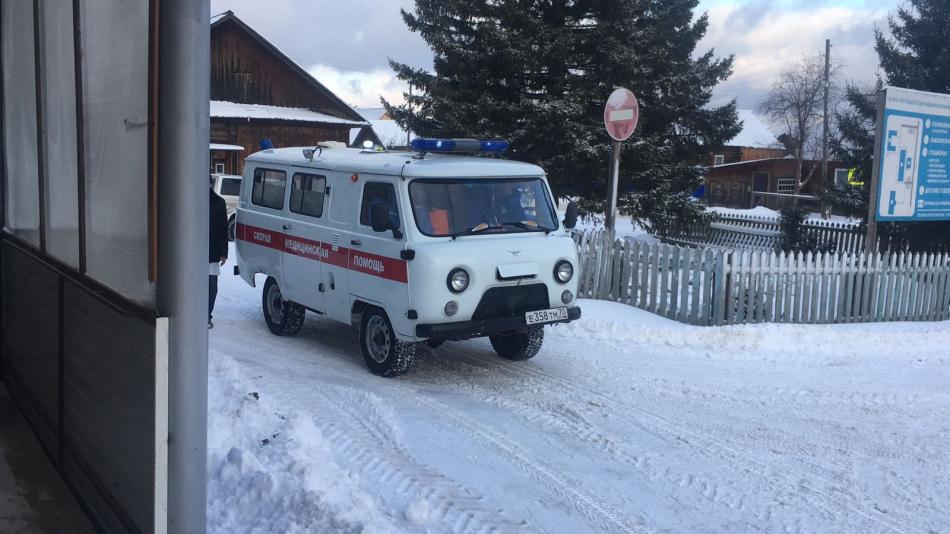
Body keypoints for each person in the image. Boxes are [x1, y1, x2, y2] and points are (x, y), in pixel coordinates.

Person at [209, 175, 229, 329]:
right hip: (192, 254)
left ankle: (206, 315)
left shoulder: (218, 203)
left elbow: (223, 229)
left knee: (211, 287)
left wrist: (224, 252)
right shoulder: (190, 201)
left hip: (212, 253)